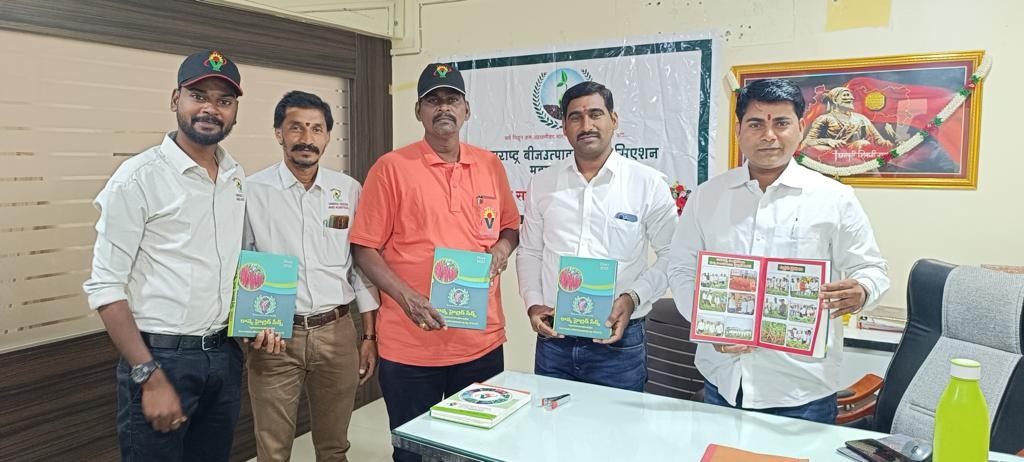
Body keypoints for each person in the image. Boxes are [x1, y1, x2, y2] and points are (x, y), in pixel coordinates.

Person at [668, 78, 890, 424]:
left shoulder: (834, 198)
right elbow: (681, 268)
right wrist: (705, 323)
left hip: (802, 392)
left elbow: (873, 270)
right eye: (756, 124)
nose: (769, 135)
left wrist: (862, 290)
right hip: (721, 383)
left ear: (800, 128)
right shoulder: (707, 197)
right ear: (739, 131)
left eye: (781, 123)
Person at [349, 63, 520, 462]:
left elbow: (510, 227)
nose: (443, 108)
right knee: (413, 453)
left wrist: (502, 250)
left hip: (480, 342)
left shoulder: (490, 165)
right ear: (419, 111)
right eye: (433, 100)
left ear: (466, 109)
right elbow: (364, 249)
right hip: (411, 347)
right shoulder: (391, 168)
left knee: (478, 449)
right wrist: (407, 298)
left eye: (452, 99)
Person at [82, 50, 247, 460]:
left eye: (224, 100)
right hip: (161, 359)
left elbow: (230, 262)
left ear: (234, 111)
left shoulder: (234, 176)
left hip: (223, 354)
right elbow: (105, 286)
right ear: (176, 99)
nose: (210, 108)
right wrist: (149, 375)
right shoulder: (138, 178)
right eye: (198, 96)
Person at [243, 90, 381, 461]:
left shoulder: (347, 190)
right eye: (296, 128)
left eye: (316, 129)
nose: (307, 138)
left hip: (337, 332)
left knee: (334, 447)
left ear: (327, 136)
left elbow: (360, 266)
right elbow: (242, 264)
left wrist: (369, 335)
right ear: (279, 133)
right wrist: (252, 326)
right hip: (275, 336)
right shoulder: (252, 191)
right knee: (273, 451)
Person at [516, 82, 677, 392]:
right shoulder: (543, 183)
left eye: (595, 114)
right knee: (550, 421)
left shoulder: (646, 183)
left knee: (615, 424)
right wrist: (533, 304)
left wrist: (633, 297)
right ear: (564, 127)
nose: (586, 125)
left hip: (619, 340)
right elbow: (530, 252)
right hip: (554, 339)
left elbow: (672, 253)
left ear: (613, 120)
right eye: (575, 117)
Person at [802, 86, 894, 151]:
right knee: (821, 149)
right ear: (835, 100)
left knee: (863, 144)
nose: (851, 98)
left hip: (855, 154)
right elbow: (807, 142)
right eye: (845, 95)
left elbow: (879, 141)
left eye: (850, 95)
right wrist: (829, 141)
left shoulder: (861, 118)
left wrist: (893, 143)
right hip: (831, 154)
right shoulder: (824, 118)